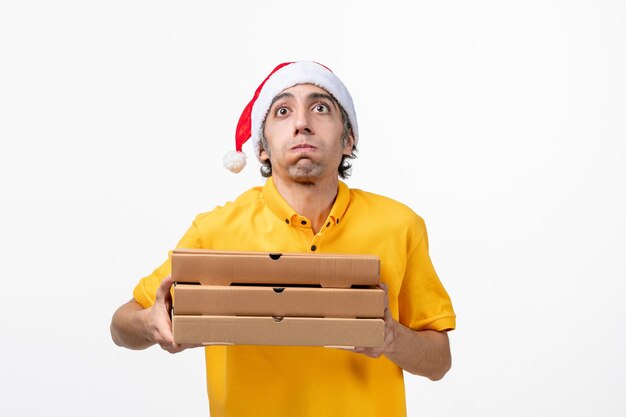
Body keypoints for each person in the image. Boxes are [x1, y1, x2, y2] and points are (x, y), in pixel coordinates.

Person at [110, 61, 456, 417]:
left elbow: (439, 361)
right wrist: (151, 324)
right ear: (261, 147)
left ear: (348, 139)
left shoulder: (399, 225)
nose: (302, 122)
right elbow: (121, 326)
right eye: (283, 111)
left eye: (321, 108)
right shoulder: (215, 230)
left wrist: (390, 337)